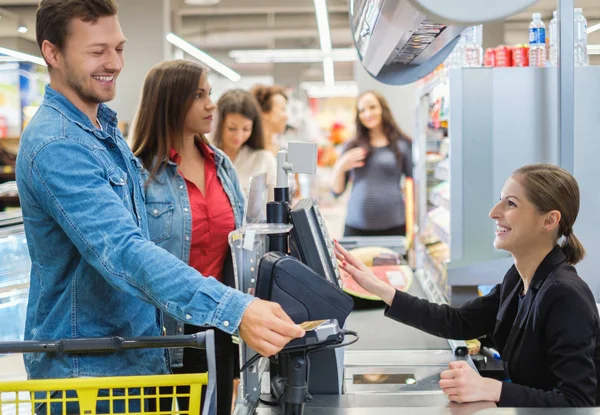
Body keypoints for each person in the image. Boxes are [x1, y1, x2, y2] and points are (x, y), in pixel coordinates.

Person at [16, 0, 304, 398]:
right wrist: (234, 310)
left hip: (133, 361)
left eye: (118, 48)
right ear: (52, 53)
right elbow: (123, 251)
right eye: (97, 51)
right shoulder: (58, 144)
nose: (114, 63)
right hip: (89, 378)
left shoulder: (103, 130)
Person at [335, 163, 600, 407]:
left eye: (511, 204)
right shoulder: (518, 279)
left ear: (549, 220)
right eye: (500, 200)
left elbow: (579, 401)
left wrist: (492, 390)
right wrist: (380, 288)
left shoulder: (564, 296)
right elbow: (457, 321)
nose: (493, 213)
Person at [130, 61, 247, 415]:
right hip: (160, 334)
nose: (211, 104)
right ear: (170, 102)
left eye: (209, 94)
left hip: (218, 326)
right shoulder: (140, 172)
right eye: (199, 96)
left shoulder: (222, 165)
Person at [330, 90, 413, 237]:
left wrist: (415, 222)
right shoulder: (352, 145)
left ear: (383, 109)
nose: (368, 114)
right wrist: (340, 166)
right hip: (356, 226)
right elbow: (336, 191)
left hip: (394, 225)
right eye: (362, 110)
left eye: (372, 107)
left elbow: (413, 185)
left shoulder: (402, 144)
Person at [212, 88, 277, 200]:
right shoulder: (206, 156)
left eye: (246, 129)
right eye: (232, 128)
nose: (239, 136)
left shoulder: (264, 159)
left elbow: (274, 206)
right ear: (219, 124)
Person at [249, 84, 288, 155]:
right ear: (264, 113)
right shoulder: (249, 154)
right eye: (283, 109)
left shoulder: (282, 151)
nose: (286, 116)